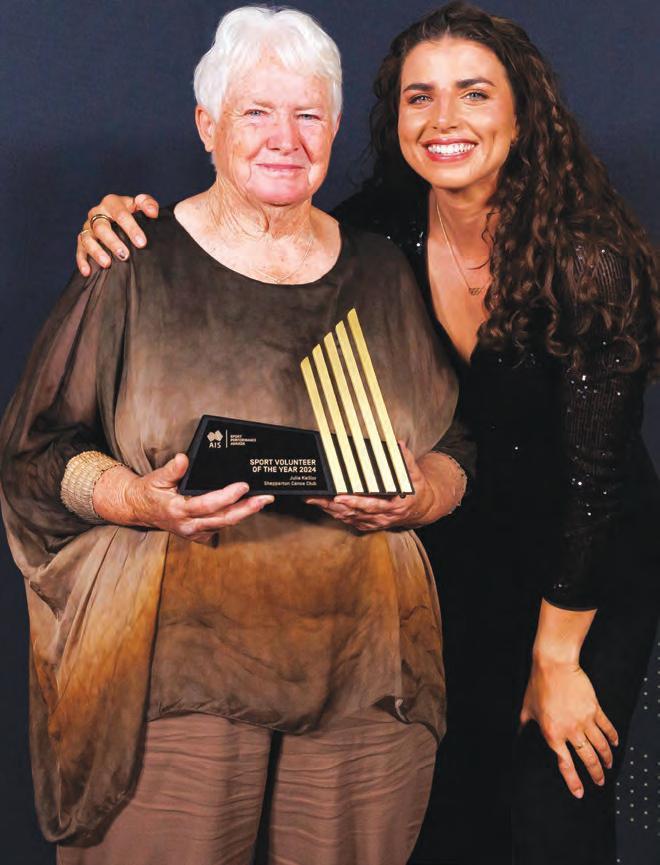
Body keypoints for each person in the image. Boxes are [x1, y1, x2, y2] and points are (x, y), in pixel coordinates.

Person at [76, 3, 660, 864]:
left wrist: (559, 658)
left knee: (552, 804)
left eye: (474, 94)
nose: (445, 119)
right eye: (421, 97)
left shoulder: (588, 259)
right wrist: (123, 222)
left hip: (581, 563)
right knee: (448, 804)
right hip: (451, 542)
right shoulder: (382, 232)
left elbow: (595, 481)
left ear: (522, 114)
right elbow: (270, 233)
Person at [0, 7, 474, 865]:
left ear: (334, 128)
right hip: (175, 667)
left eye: (308, 114)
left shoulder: (379, 268)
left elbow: (457, 443)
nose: (285, 138)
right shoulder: (134, 260)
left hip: (366, 665)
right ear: (207, 125)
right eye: (256, 112)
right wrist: (136, 499)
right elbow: (36, 455)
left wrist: (423, 495)